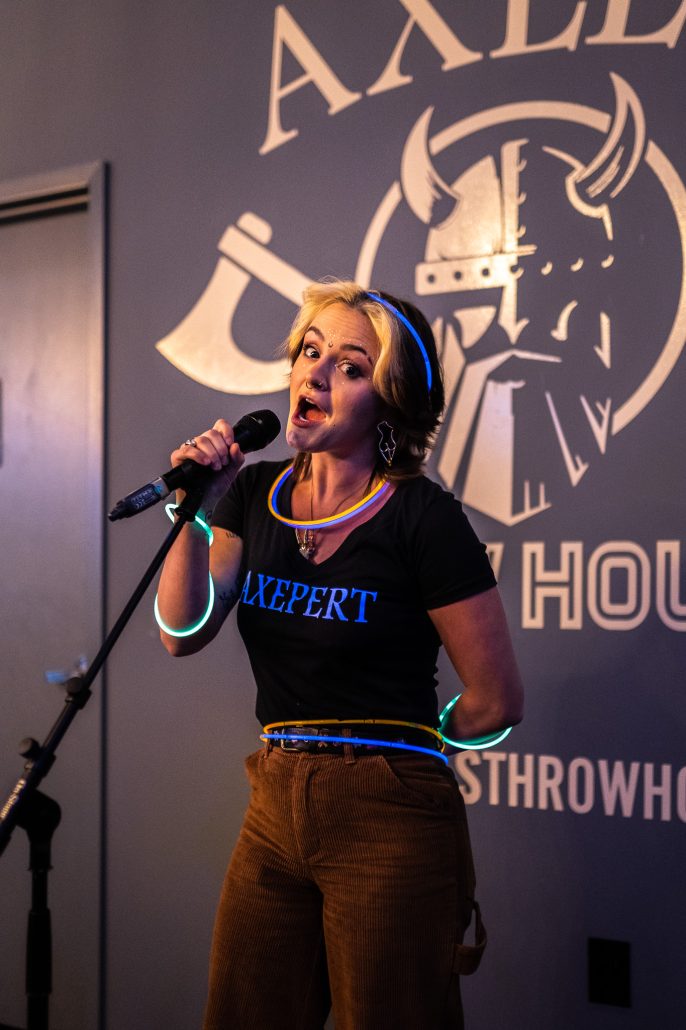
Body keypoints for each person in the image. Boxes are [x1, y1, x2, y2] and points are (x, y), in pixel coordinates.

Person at [156, 279, 524, 1030]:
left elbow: (496, 700)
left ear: (390, 403)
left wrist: (410, 746)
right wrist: (193, 513)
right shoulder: (251, 493)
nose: (315, 375)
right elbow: (182, 632)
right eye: (309, 352)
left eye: (351, 367)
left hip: (388, 810)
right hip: (275, 797)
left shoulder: (423, 515)